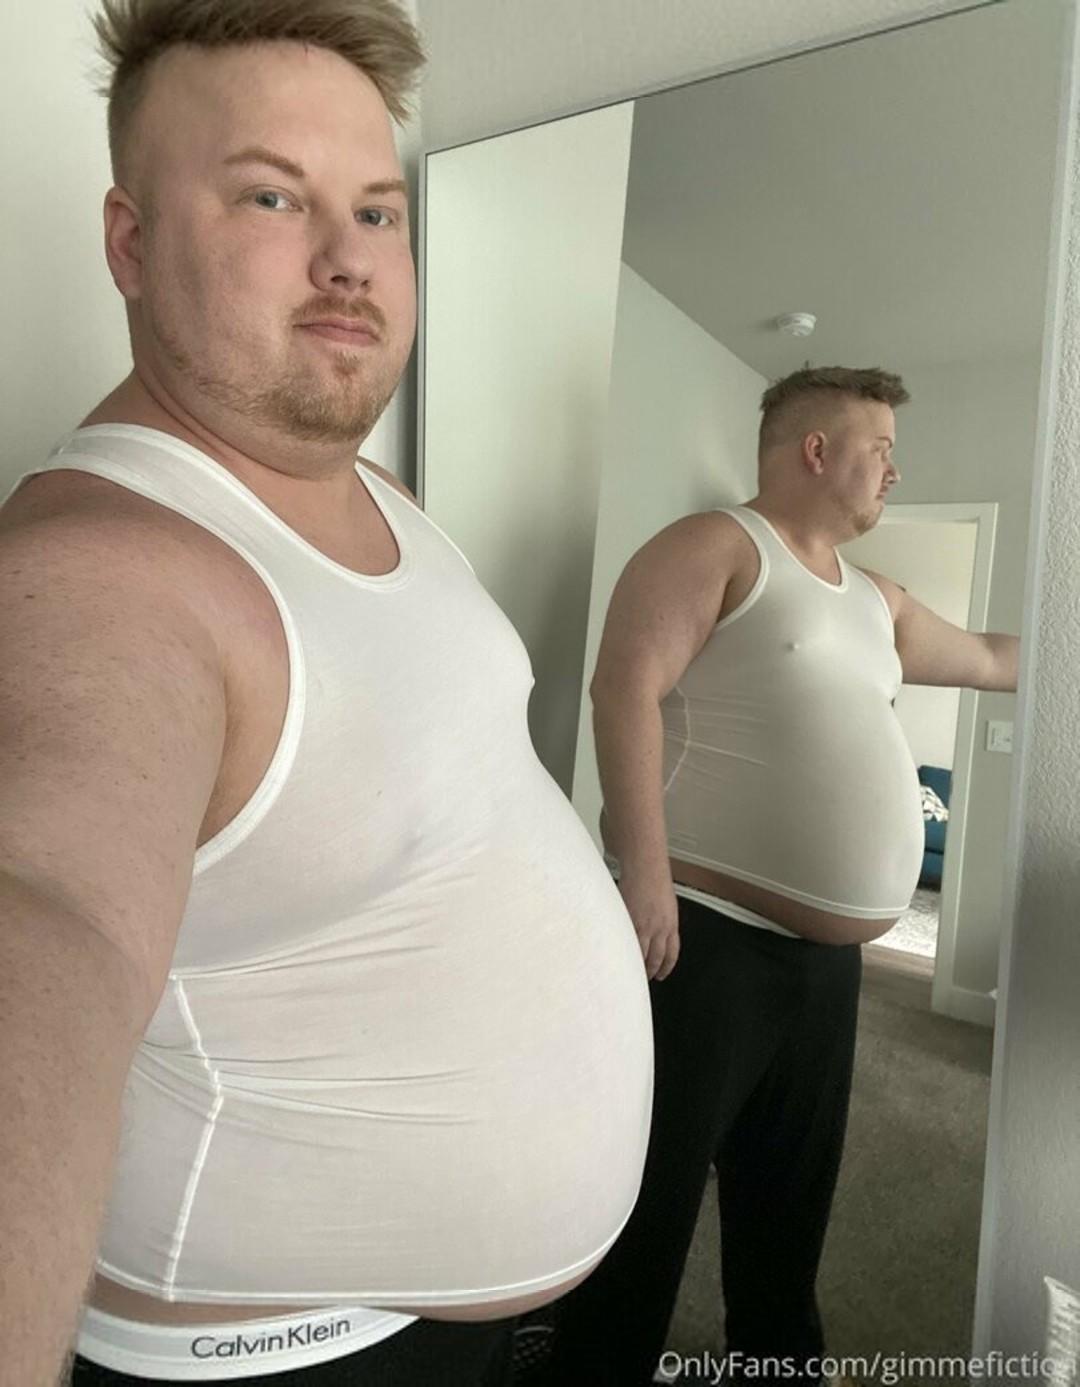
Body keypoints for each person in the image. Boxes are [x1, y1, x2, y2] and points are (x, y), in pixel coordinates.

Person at [0, 3, 653, 1385]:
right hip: (283, 1351)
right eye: (270, 195)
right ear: (129, 243)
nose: (350, 255)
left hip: (434, 1327)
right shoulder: (102, 570)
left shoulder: (383, 497)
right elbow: (49, 917)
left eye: (376, 209)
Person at [542, 366, 1020, 1386]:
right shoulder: (717, 546)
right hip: (704, 938)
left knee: (789, 1202)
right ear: (816, 450)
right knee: (652, 1195)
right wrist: (645, 877)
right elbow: (623, 688)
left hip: (825, 971)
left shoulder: (879, 602)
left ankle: (780, 1367)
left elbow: (988, 656)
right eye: (881, 448)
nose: (895, 469)